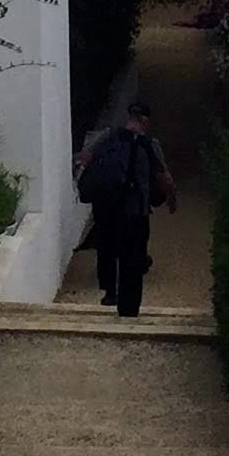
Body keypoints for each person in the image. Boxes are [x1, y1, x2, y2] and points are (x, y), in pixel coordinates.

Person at [78, 98, 178, 317]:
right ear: (146, 121)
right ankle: (129, 308)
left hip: (106, 208)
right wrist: (171, 197)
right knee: (132, 256)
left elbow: (85, 159)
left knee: (107, 249)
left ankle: (109, 293)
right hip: (135, 210)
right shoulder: (150, 144)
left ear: (129, 117)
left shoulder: (107, 136)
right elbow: (164, 177)